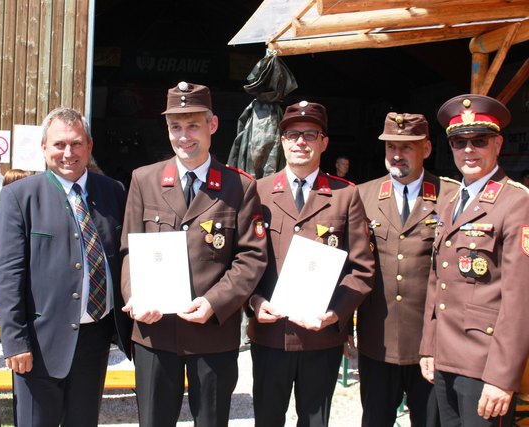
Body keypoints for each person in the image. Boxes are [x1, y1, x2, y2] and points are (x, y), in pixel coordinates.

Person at [120, 81, 267, 427]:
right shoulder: (145, 179)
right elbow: (129, 248)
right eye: (175, 126)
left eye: (193, 125)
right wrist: (134, 295)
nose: (184, 136)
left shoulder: (240, 186)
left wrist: (215, 303)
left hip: (212, 333)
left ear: (212, 125)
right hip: (154, 331)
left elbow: (251, 256)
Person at [0, 107, 131, 426]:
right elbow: (8, 275)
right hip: (39, 344)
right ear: (43, 148)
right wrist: (14, 342)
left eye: (76, 143)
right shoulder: (19, 197)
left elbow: (126, 256)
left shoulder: (113, 192)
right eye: (59, 144)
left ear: (89, 146)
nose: (68, 153)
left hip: (94, 340)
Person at [247, 100, 375, 426]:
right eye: (292, 134)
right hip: (270, 333)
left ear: (324, 142)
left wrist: (336, 315)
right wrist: (254, 301)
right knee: (267, 418)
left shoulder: (345, 195)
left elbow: (362, 268)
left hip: (321, 337)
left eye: (310, 134)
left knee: (315, 420)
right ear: (282, 141)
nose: (301, 142)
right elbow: (244, 259)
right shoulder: (258, 192)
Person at [420, 94, 529, 426]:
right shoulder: (451, 200)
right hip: (445, 357)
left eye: (478, 140)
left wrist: (502, 376)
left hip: (485, 365)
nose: (468, 150)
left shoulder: (516, 202)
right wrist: (428, 345)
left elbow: (520, 300)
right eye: (458, 142)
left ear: (497, 143)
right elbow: (437, 279)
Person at [356, 113, 459, 427]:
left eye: (407, 147)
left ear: (426, 149)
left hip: (429, 343)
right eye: (391, 147)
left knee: (430, 421)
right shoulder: (362, 195)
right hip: (377, 338)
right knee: (375, 420)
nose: (396, 155)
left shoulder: (451, 196)